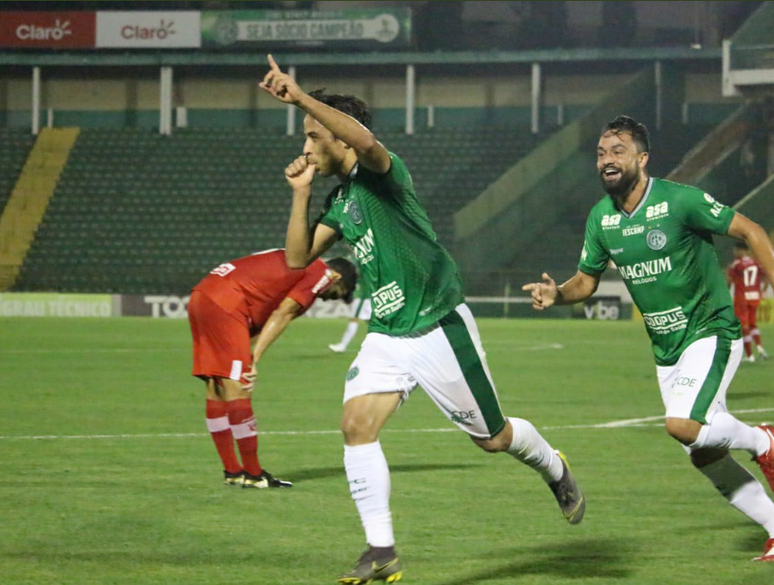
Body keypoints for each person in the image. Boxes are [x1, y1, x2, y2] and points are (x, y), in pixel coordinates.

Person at [259, 54, 585, 584]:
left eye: (312, 135)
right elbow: (297, 259)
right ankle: (381, 551)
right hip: (388, 334)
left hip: (438, 324)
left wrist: (301, 97)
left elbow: (365, 144)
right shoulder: (341, 201)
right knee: (355, 427)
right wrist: (300, 197)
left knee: (493, 438)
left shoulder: (383, 172)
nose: (304, 145)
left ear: (340, 136)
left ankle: (553, 466)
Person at [522, 115, 774, 562]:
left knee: (683, 427)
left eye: (617, 151)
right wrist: (557, 293)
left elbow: (751, 231)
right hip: (666, 350)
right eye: (601, 153)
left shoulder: (679, 201)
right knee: (701, 453)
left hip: (710, 330)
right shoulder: (601, 219)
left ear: (642, 158)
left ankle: (764, 442)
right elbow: (586, 281)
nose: (606, 160)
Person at [188, 248, 357, 489]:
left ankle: (233, 471)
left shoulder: (299, 262)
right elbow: (284, 312)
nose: (329, 298)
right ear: (337, 278)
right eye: (337, 294)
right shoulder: (323, 272)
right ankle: (254, 474)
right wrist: (253, 360)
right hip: (227, 302)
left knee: (217, 387)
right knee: (240, 387)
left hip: (204, 294)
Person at [727, 241, 770, 362]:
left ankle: (750, 355)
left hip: (742, 297)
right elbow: (766, 274)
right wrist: (764, 289)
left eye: (736, 250)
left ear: (741, 250)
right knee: (753, 323)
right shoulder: (755, 263)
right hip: (755, 296)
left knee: (744, 325)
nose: (734, 253)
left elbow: (730, 280)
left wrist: (727, 291)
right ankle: (760, 349)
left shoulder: (737, 264)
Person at [329, 280, 371, 353]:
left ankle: (342, 345)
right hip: (366, 295)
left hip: (362, 296)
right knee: (370, 321)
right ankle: (392, 339)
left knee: (354, 319)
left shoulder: (365, 269)